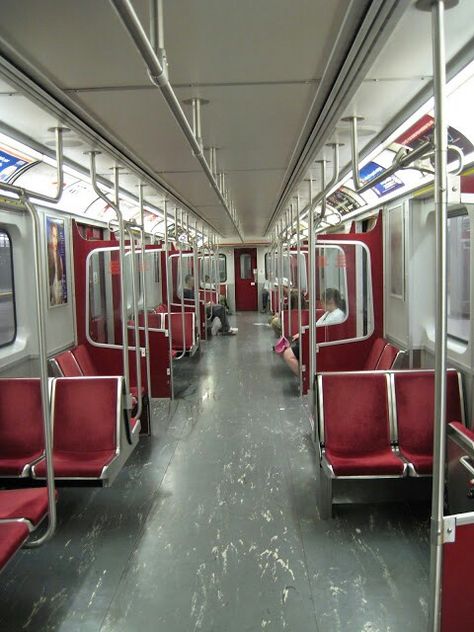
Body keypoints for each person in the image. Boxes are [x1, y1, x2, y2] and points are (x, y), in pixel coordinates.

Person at [278, 287, 346, 376]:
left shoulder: (337, 316)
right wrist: (301, 334)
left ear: (329, 301)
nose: (321, 304)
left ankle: (305, 377)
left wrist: (304, 335)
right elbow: (316, 325)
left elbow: (321, 331)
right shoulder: (329, 313)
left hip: (320, 344)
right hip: (314, 339)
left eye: (322, 301)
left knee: (288, 355)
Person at [48, 220, 65, 306]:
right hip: (51, 290)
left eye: (56, 237)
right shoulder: (47, 254)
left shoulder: (59, 255)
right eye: (53, 236)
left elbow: (60, 277)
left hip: (58, 288)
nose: (55, 240)